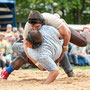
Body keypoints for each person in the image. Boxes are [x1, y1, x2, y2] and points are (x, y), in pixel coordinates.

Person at [0, 25, 69, 84]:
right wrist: (64, 47)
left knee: (21, 54)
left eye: (27, 43)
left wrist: (44, 84)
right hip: (54, 53)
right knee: (23, 55)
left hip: (44, 59)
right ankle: (70, 71)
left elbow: (53, 71)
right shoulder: (48, 29)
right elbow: (66, 33)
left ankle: (6, 72)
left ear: (31, 45)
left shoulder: (35, 52)